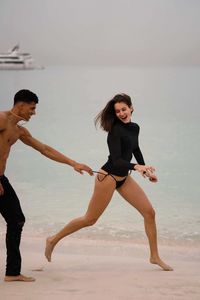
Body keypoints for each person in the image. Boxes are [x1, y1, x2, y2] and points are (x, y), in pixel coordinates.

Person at [45, 93, 173, 271]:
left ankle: (154, 256)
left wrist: (146, 171)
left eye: (124, 109)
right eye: (117, 111)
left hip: (124, 178)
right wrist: (136, 167)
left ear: (131, 108)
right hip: (108, 177)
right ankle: (53, 239)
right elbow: (117, 160)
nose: (121, 113)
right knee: (90, 219)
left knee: (149, 213)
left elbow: (135, 148)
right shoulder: (115, 131)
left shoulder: (135, 127)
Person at [0, 89, 93, 282]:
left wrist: (73, 163)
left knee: (17, 220)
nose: (33, 113)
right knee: (16, 219)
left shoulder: (19, 131)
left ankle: (12, 272)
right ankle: (12, 272)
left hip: (1, 179)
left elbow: (44, 149)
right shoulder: (1, 119)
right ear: (21, 105)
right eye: (32, 108)